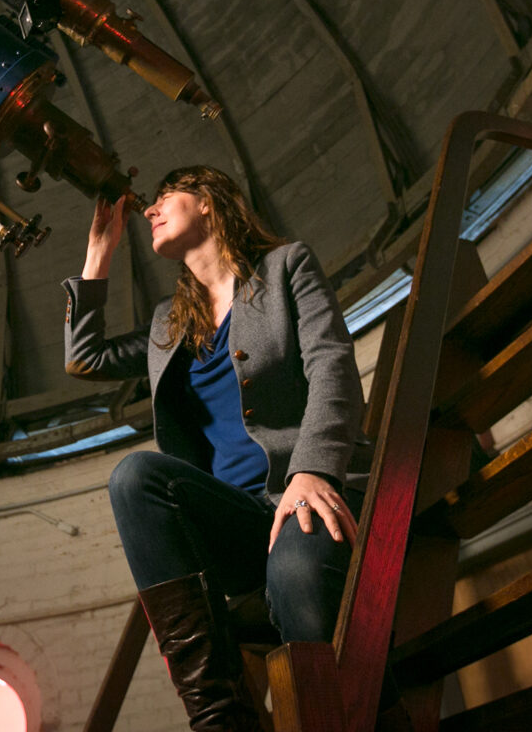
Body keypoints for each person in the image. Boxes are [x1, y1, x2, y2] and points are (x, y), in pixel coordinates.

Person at [63, 165, 370, 731]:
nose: (150, 211)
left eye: (164, 198)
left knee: (297, 576)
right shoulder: (169, 322)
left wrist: (310, 472)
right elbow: (86, 359)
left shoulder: (285, 268)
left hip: (299, 499)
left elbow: (332, 366)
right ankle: (221, 721)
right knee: (134, 477)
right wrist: (98, 253)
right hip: (231, 522)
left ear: (207, 201)